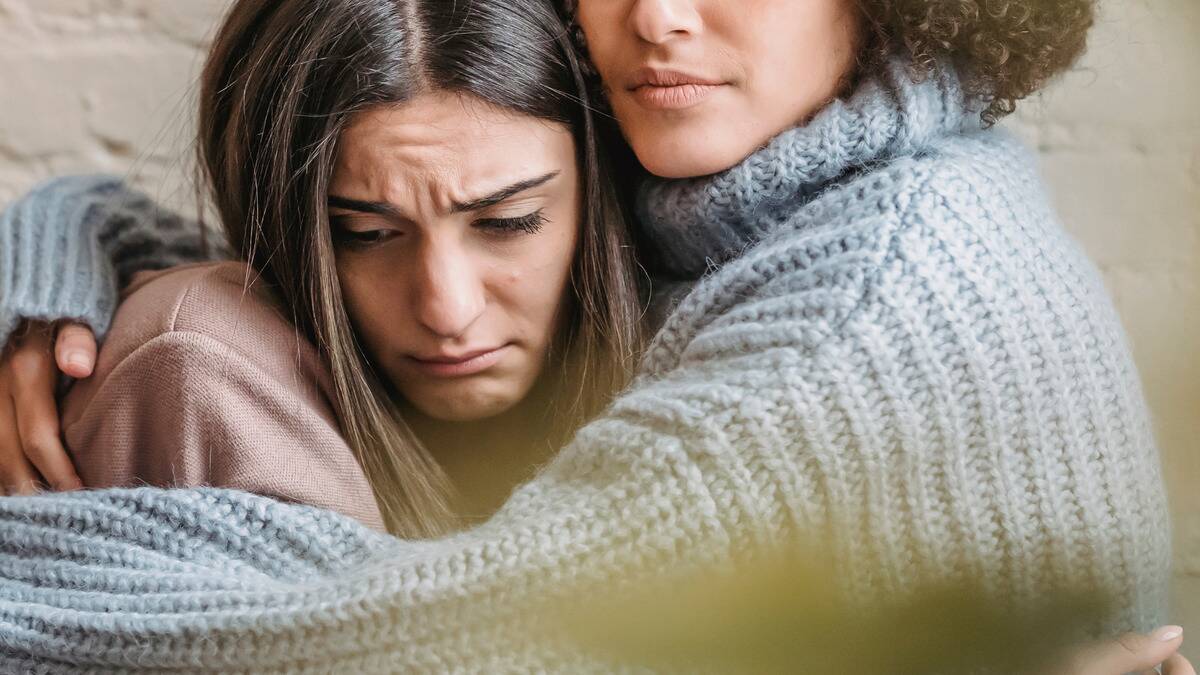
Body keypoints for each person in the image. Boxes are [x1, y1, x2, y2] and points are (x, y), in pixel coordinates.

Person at [0, 0, 1185, 671]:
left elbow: (405, 645)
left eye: (511, 221)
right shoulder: (736, 173)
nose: (659, 17)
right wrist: (70, 236)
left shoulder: (844, 317)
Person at [0, 0, 641, 536]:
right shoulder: (197, 362)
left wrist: (79, 228)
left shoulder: (709, 314)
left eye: (507, 223)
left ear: (605, 182)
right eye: (366, 234)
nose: (447, 310)